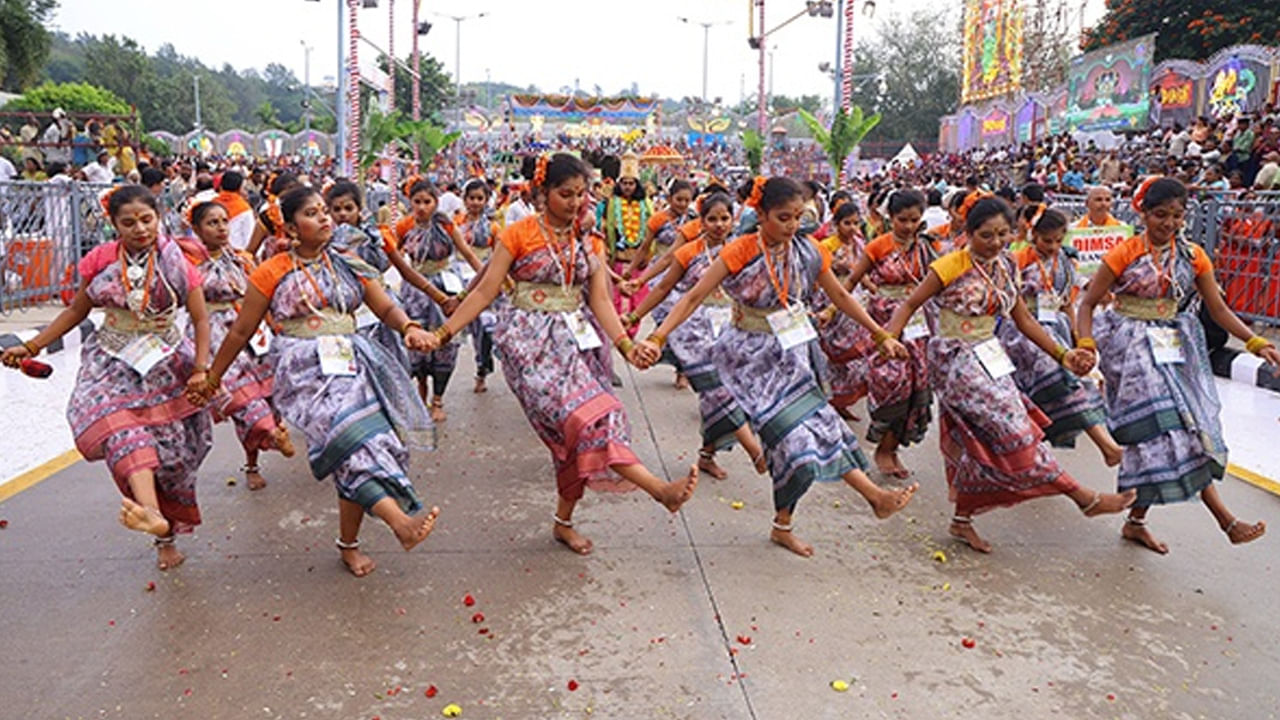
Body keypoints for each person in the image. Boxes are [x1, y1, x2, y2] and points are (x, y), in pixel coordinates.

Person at [417, 153, 699, 555]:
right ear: (541, 193)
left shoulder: (588, 239)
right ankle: (658, 489)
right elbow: (485, 290)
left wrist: (626, 345)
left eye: (582, 194)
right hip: (528, 346)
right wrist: (443, 333)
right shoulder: (518, 234)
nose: (575, 202)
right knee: (585, 423)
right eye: (565, 194)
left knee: (588, 429)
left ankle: (563, 523)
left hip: (576, 345)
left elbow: (600, 299)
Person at [636, 177, 918, 557]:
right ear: (761, 215)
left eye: (798, 217)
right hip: (748, 359)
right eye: (783, 217)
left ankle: (856, 503)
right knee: (795, 439)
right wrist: (657, 336)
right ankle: (853, 495)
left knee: (821, 425)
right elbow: (693, 295)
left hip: (791, 354)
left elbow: (839, 294)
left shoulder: (808, 250)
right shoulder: (740, 251)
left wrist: (880, 334)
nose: (791, 225)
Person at [199, 186, 441, 577]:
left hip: (352, 362)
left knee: (362, 446)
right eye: (313, 213)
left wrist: (409, 327)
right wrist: (213, 377)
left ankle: (349, 545)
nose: (326, 218)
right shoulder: (271, 270)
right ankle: (401, 522)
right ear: (292, 228)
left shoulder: (348, 260)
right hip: (303, 370)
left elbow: (383, 304)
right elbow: (241, 330)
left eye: (325, 211)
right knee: (350, 441)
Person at [885, 196, 1136, 553]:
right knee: (1015, 432)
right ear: (969, 233)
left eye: (1004, 234)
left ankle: (962, 521)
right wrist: (888, 338)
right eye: (987, 235)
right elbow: (909, 304)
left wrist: (1063, 354)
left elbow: (1024, 319)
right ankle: (1082, 496)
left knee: (980, 442)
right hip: (955, 361)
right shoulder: (949, 266)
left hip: (990, 355)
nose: (997, 242)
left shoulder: (1006, 265)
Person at [2, 185, 213, 570]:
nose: (140, 229)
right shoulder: (100, 261)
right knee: (124, 435)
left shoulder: (178, 261)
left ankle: (165, 532)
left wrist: (201, 370)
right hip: (112, 363)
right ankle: (151, 514)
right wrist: (32, 346)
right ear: (113, 224)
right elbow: (75, 312)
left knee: (174, 455)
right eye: (128, 222)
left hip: (167, 364)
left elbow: (201, 319)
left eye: (147, 219)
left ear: (159, 218)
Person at [1076, 176, 1278, 554]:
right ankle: (1225, 520)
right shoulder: (1125, 253)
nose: (1168, 223)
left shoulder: (1194, 256)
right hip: (1130, 349)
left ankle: (1136, 522)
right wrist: (1086, 344)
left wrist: (1255, 342)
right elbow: (1088, 303)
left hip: (1173, 345)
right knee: (1173, 430)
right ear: (1144, 213)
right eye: (1160, 215)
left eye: (1177, 216)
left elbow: (1217, 308)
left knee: (1166, 438)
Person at [622, 192, 767, 479]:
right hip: (691, 330)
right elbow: (663, 287)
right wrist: (635, 314)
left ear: (733, 219)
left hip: (729, 327)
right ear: (701, 220)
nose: (718, 224)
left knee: (719, 396)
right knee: (715, 387)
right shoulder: (688, 253)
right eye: (711, 219)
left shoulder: (741, 250)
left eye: (724, 218)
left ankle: (706, 455)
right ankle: (755, 450)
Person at [182, 201, 294, 490]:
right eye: (212, 223)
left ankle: (253, 462)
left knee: (266, 397)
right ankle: (272, 433)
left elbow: (260, 296)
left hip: (250, 332)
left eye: (224, 221)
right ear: (196, 229)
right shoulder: (188, 263)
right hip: (213, 335)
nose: (221, 228)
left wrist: (274, 326)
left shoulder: (243, 260)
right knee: (238, 397)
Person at [1004, 207, 1122, 464]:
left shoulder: (1065, 262)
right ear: (1034, 235)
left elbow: (1068, 302)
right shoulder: (1018, 259)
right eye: (1047, 240)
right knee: (1059, 379)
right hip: (1024, 332)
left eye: (1059, 240)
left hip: (1056, 329)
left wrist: (1078, 336)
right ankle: (1106, 446)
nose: (1054, 246)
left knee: (1069, 382)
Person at [844, 189, 935, 479]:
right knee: (891, 383)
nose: (908, 226)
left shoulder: (926, 248)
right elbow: (852, 281)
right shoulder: (878, 246)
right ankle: (881, 444)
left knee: (914, 387)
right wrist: (832, 312)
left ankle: (891, 448)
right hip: (883, 324)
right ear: (890, 217)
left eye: (914, 220)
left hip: (918, 325)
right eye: (902, 219)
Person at [813, 201, 873, 419]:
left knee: (855, 356)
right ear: (836, 224)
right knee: (832, 355)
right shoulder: (827, 247)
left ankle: (843, 400)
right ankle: (828, 400)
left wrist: (873, 289)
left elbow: (860, 272)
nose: (853, 227)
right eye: (847, 223)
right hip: (831, 299)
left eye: (856, 223)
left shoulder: (859, 243)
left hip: (854, 299)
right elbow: (818, 277)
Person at [454, 178, 502, 392]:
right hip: (458, 279)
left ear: (486, 200)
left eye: (479, 198)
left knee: (484, 328)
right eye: (471, 198)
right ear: (464, 200)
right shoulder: (455, 224)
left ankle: (482, 368)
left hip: (484, 279)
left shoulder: (493, 227)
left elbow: (500, 255)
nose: (475, 202)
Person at [600, 152, 652, 337]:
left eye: (631, 183)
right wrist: (606, 250)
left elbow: (651, 230)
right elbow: (605, 228)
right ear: (619, 184)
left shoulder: (646, 204)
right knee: (618, 299)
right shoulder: (612, 203)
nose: (628, 187)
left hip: (638, 260)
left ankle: (632, 330)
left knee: (637, 298)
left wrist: (648, 254)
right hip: (620, 259)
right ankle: (619, 333)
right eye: (624, 183)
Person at [214, 170, 258, 252]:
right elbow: (249, 239)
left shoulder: (211, 205)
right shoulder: (244, 209)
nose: (246, 192)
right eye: (244, 188)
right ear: (239, 189)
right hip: (236, 255)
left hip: (213, 254)